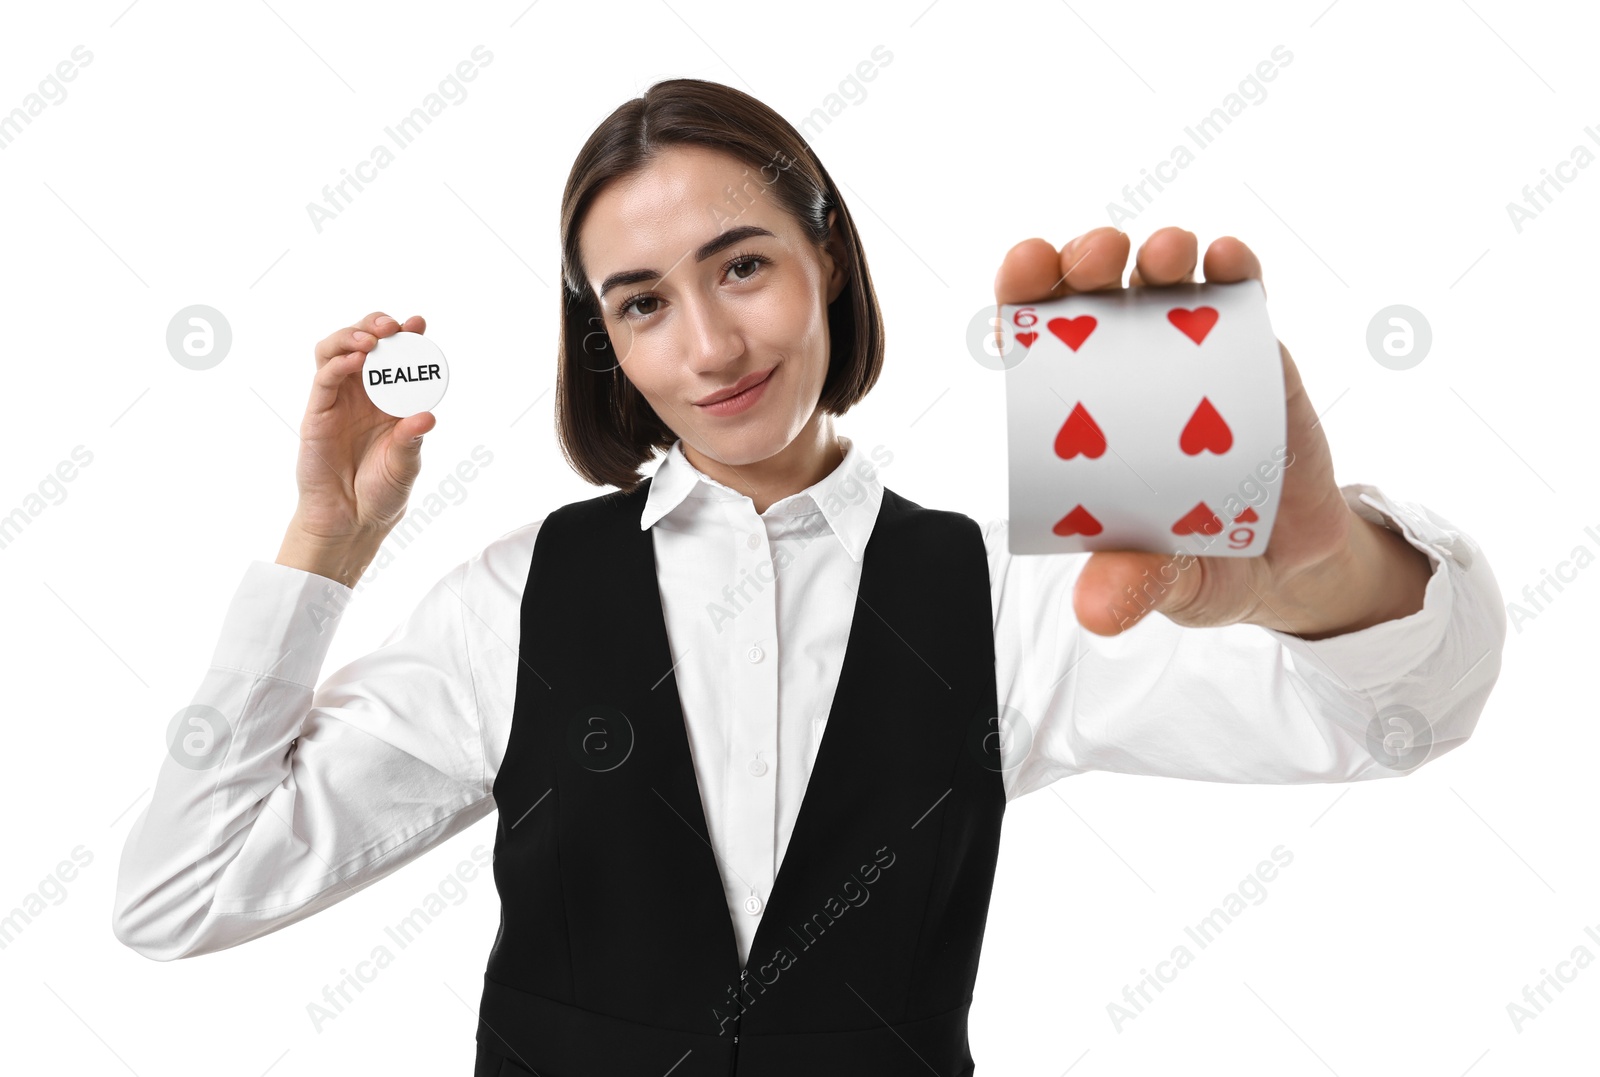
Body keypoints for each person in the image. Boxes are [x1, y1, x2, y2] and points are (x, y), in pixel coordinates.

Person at [112, 78, 1506, 1076]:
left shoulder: (1012, 601)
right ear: (607, 342)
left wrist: (1314, 575)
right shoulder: (509, 599)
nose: (710, 345)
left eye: (744, 266)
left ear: (827, 264)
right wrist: (324, 548)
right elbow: (180, 893)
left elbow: (1396, 717)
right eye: (643, 302)